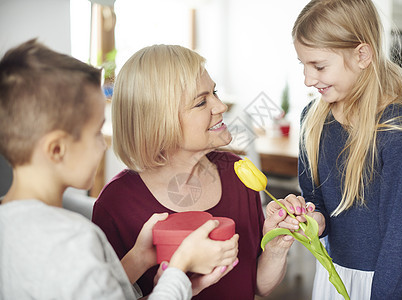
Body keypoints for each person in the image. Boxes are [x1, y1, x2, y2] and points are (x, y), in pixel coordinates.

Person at [0, 39, 239, 300]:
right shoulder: (73, 242)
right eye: (95, 133)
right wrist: (180, 267)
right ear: (57, 149)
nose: (103, 146)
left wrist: (139, 258)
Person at [92, 44, 303, 299]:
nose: (221, 106)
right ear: (159, 122)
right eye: (202, 102)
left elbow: (257, 285)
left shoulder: (238, 173)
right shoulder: (116, 204)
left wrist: (276, 247)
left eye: (214, 92)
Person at [287, 0, 402, 299]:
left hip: (389, 281)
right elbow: (315, 197)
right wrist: (314, 218)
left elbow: (400, 237)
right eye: (303, 65)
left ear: (362, 54)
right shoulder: (312, 120)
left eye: (318, 66)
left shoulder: (395, 132)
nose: (307, 79)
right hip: (336, 272)